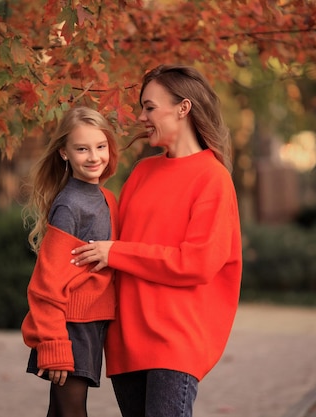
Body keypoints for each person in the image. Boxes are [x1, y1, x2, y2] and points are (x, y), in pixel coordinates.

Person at [70, 65, 242, 417]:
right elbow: (102, 248)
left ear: (183, 107)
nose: (141, 116)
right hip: (124, 343)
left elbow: (196, 263)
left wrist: (118, 253)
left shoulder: (213, 178)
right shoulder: (142, 172)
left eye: (149, 107)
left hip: (176, 342)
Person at [21, 106, 119, 417]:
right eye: (82, 149)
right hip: (69, 328)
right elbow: (46, 284)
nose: (94, 157)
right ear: (64, 153)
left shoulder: (108, 199)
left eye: (100, 146)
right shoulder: (69, 206)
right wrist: (54, 343)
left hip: (92, 325)